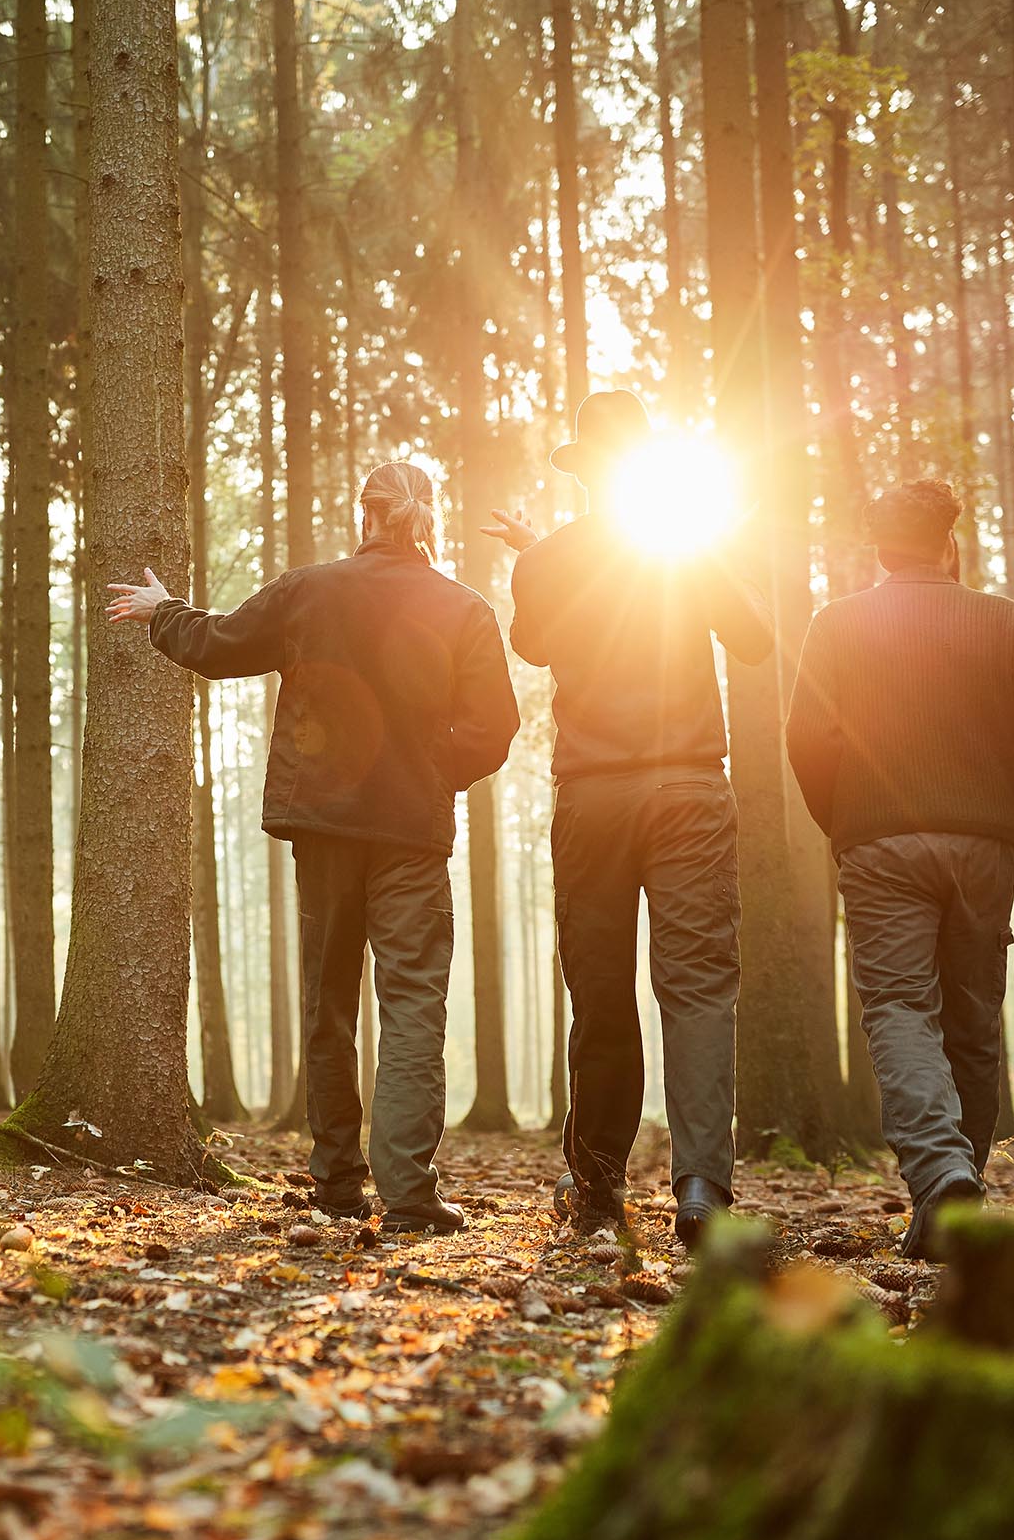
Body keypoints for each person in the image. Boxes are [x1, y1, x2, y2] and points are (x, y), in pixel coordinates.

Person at [106, 461, 520, 1234]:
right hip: (411, 836)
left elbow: (222, 644)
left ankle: (336, 1183)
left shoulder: (311, 590)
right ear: (427, 518)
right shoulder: (465, 608)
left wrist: (165, 613)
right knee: (413, 1006)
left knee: (329, 1004)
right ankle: (409, 1195)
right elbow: (495, 726)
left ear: (366, 515)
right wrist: (434, 774)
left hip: (324, 829)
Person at [484, 389, 771, 1248]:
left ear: (582, 472)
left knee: (600, 988)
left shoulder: (546, 561)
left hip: (593, 797)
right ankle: (701, 1187)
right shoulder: (687, 544)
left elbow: (533, 642)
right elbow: (756, 638)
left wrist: (540, 555)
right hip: (689, 790)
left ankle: (598, 1181)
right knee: (698, 986)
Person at [783, 478, 1014, 1260]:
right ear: (949, 543)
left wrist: (844, 823)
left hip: (879, 845)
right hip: (982, 847)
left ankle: (942, 1174)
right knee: (972, 1019)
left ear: (881, 549)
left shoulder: (836, 623)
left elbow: (805, 739)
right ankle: (957, 1183)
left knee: (898, 1006)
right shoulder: (1000, 619)